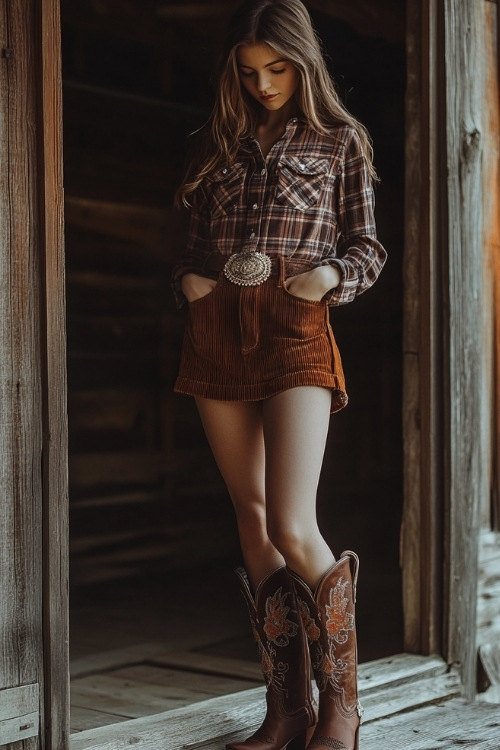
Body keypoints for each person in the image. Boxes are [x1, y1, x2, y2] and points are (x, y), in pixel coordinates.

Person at [172, 1, 386, 748]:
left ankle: (344, 710)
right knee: (255, 522)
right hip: (217, 333)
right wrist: (194, 287)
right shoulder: (219, 145)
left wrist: (325, 277)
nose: (264, 84)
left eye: (278, 69)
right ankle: (288, 709)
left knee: (295, 523)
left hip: (297, 330)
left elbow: (368, 247)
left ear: (304, 62)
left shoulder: (340, 141)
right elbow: (193, 247)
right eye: (249, 71)